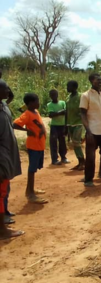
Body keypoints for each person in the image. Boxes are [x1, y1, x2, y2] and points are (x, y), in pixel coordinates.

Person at [80, 73, 101, 187]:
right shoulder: (86, 95)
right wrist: (88, 130)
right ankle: (88, 179)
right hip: (93, 130)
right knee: (90, 156)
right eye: (97, 80)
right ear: (91, 81)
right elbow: (83, 113)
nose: (100, 82)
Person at [13, 93, 48, 204]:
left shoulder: (35, 112)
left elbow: (39, 123)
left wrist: (42, 129)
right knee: (32, 169)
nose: (39, 103)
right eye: (37, 101)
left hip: (39, 144)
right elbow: (15, 124)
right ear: (30, 103)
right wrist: (27, 131)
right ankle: (30, 193)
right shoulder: (27, 114)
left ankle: (31, 190)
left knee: (34, 168)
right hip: (33, 145)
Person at [0, 80, 24, 239]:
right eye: (5, 88)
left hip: (6, 155)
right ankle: (2, 230)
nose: (8, 90)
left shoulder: (3, 107)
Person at [66, 81, 85, 171]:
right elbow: (67, 111)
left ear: (74, 87)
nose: (67, 88)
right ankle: (80, 162)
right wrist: (66, 124)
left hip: (78, 123)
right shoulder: (68, 97)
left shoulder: (81, 96)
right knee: (74, 143)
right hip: (70, 123)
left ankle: (82, 162)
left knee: (76, 142)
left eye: (68, 86)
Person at [47, 89, 69, 166]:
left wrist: (66, 125)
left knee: (62, 142)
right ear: (50, 96)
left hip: (62, 125)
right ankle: (54, 159)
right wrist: (61, 112)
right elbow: (51, 115)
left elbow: (66, 113)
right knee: (53, 143)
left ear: (57, 94)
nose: (54, 96)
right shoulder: (49, 104)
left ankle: (63, 157)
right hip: (54, 126)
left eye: (55, 94)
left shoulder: (62, 102)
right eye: (52, 95)